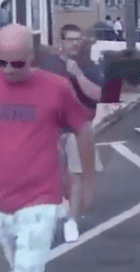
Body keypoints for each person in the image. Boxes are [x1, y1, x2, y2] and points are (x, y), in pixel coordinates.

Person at [0, 24, 94, 271]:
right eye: (2, 63)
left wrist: (88, 183)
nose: (9, 70)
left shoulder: (57, 88)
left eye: (17, 64)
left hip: (40, 201)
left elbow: (83, 131)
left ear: (31, 57)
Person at [36, 24, 104, 242]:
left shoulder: (90, 66)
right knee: (55, 178)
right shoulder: (48, 63)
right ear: (61, 42)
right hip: (50, 130)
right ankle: (57, 210)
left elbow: (99, 95)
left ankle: (71, 222)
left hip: (78, 130)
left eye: (79, 39)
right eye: (71, 39)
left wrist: (78, 75)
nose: (76, 43)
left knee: (75, 177)